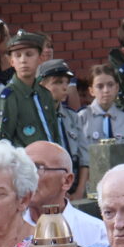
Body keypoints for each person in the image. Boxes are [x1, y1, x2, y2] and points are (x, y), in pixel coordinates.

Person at [23, 141, 107, 247]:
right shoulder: (6, 231)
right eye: (23, 169)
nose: (27, 177)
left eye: (38, 168)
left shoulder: (98, 234)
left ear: (67, 181)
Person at [0, 30, 60, 149]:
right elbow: (2, 143)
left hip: (51, 161)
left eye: (29, 54)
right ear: (11, 61)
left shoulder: (45, 94)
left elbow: (55, 133)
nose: (23, 60)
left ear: (40, 58)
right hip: (25, 163)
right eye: (18, 56)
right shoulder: (8, 97)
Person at [37, 59, 89, 198]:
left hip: (74, 187)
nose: (65, 87)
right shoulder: (35, 118)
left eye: (66, 82)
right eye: (58, 82)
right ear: (41, 85)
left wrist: (79, 191)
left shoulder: (73, 117)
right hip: (46, 190)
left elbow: (85, 159)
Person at [78, 64, 124, 152]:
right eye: (100, 86)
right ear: (91, 91)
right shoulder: (82, 117)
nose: (106, 90)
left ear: (117, 88)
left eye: (110, 85)